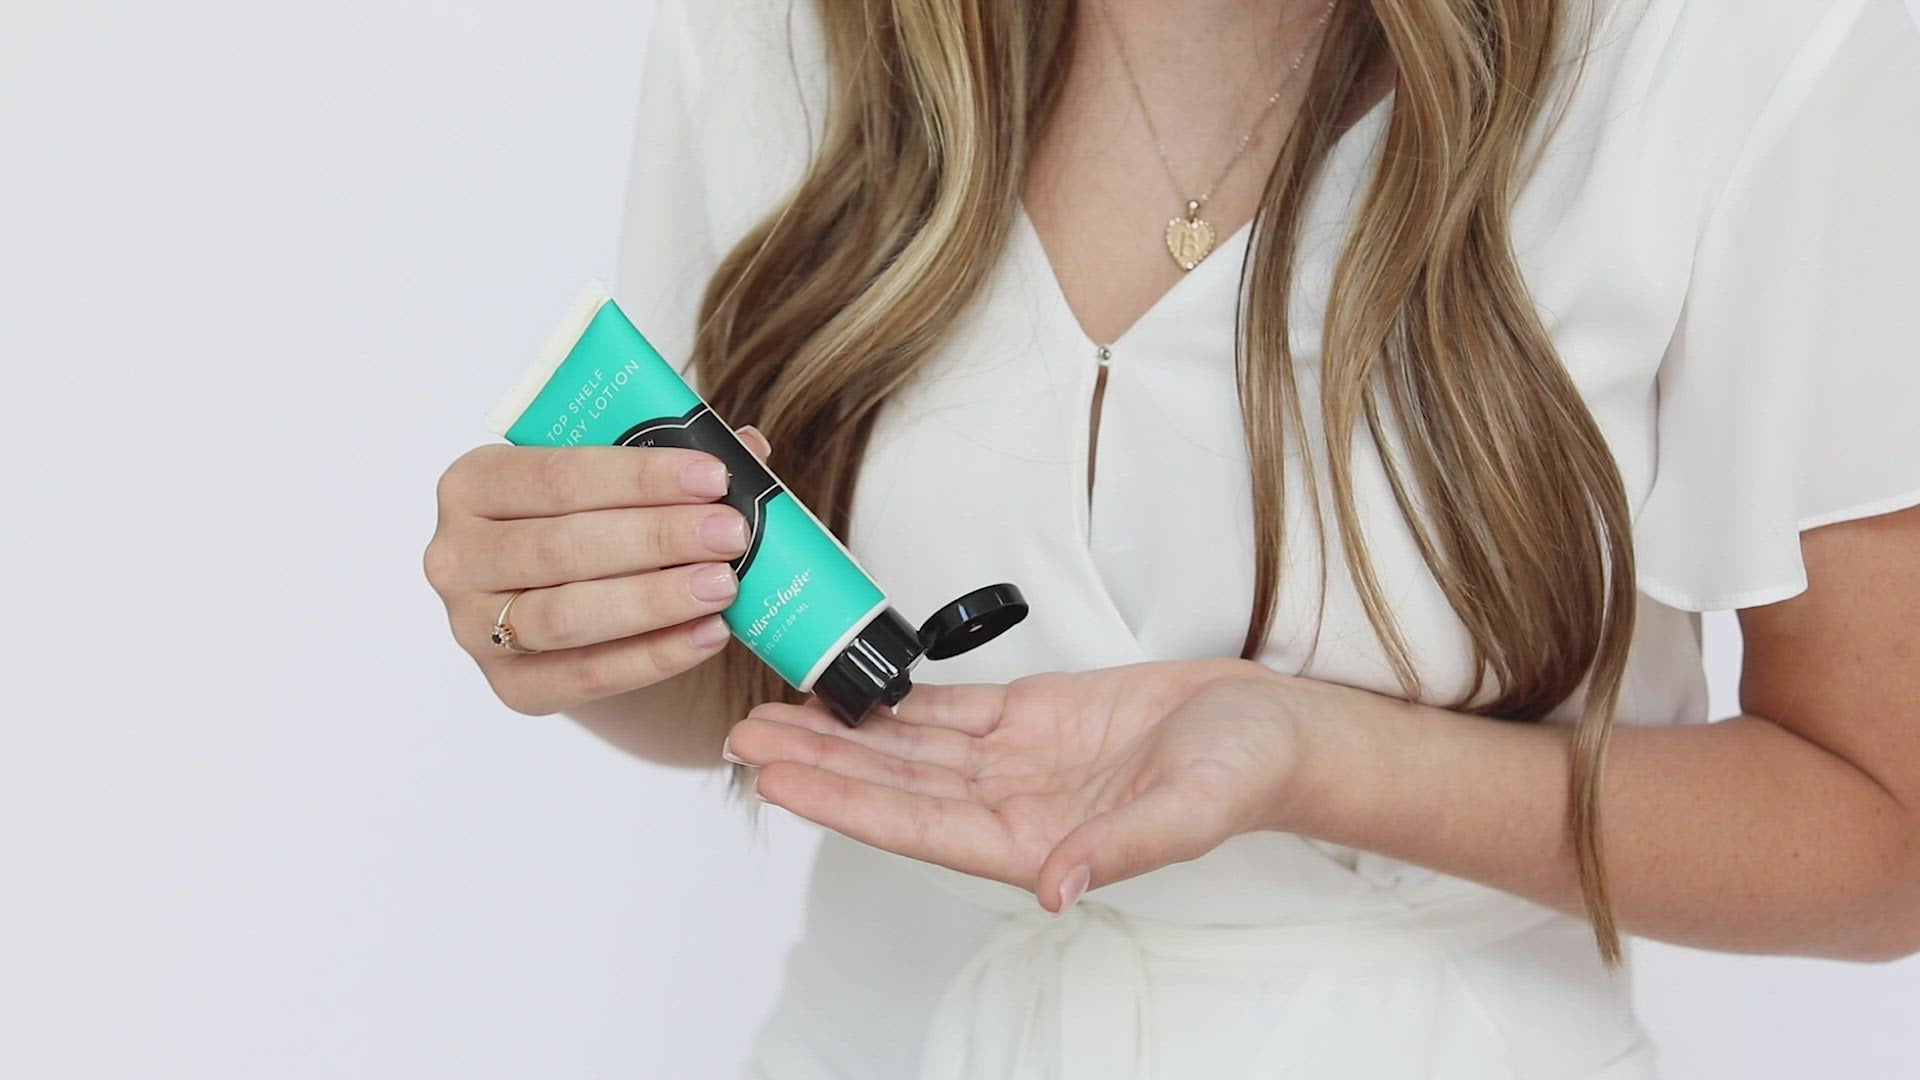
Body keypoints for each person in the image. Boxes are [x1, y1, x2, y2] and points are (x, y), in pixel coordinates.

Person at [423, 0, 1920, 1074]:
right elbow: (755, 687)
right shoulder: (782, 38)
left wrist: (1315, 757)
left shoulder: (1741, 49)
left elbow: (1883, 835)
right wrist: (581, 619)